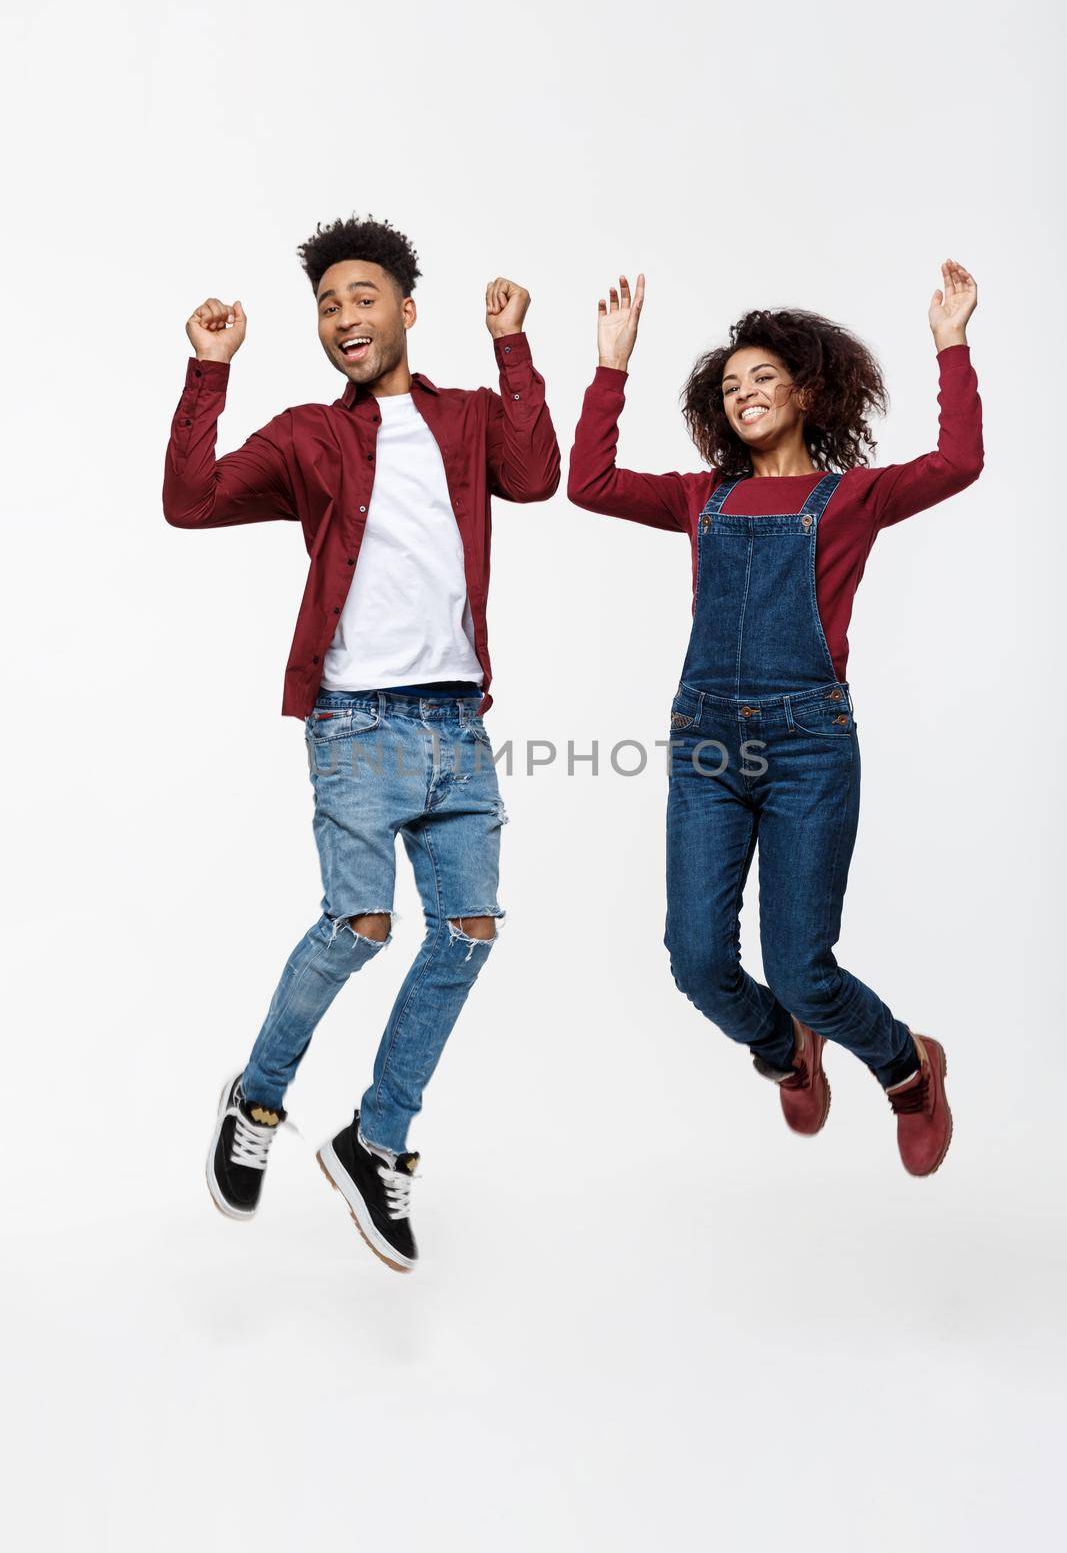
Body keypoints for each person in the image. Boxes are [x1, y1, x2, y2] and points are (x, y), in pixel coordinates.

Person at [163, 214, 560, 1269]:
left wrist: (512, 346)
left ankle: (376, 1134)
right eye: (328, 305)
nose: (345, 316)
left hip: (457, 719)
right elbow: (189, 500)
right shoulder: (307, 433)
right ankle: (259, 1098)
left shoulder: (469, 417)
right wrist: (209, 375)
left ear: (405, 310)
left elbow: (536, 475)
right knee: (358, 925)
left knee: (468, 929)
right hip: (356, 718)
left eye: (362, 297)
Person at [567, 261, 982, 1176]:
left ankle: (908, 1068)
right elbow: (588, 485)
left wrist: (950, 344)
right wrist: (610, 366)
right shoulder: (696, 498)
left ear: (807, 389)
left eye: (762, 376)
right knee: (695, 961)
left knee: (803, 971)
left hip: (809, 750)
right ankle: (784, 1051)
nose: (744, 392)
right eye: (728, 385)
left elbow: (958, 463)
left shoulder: (855, 496)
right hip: (706, 745)